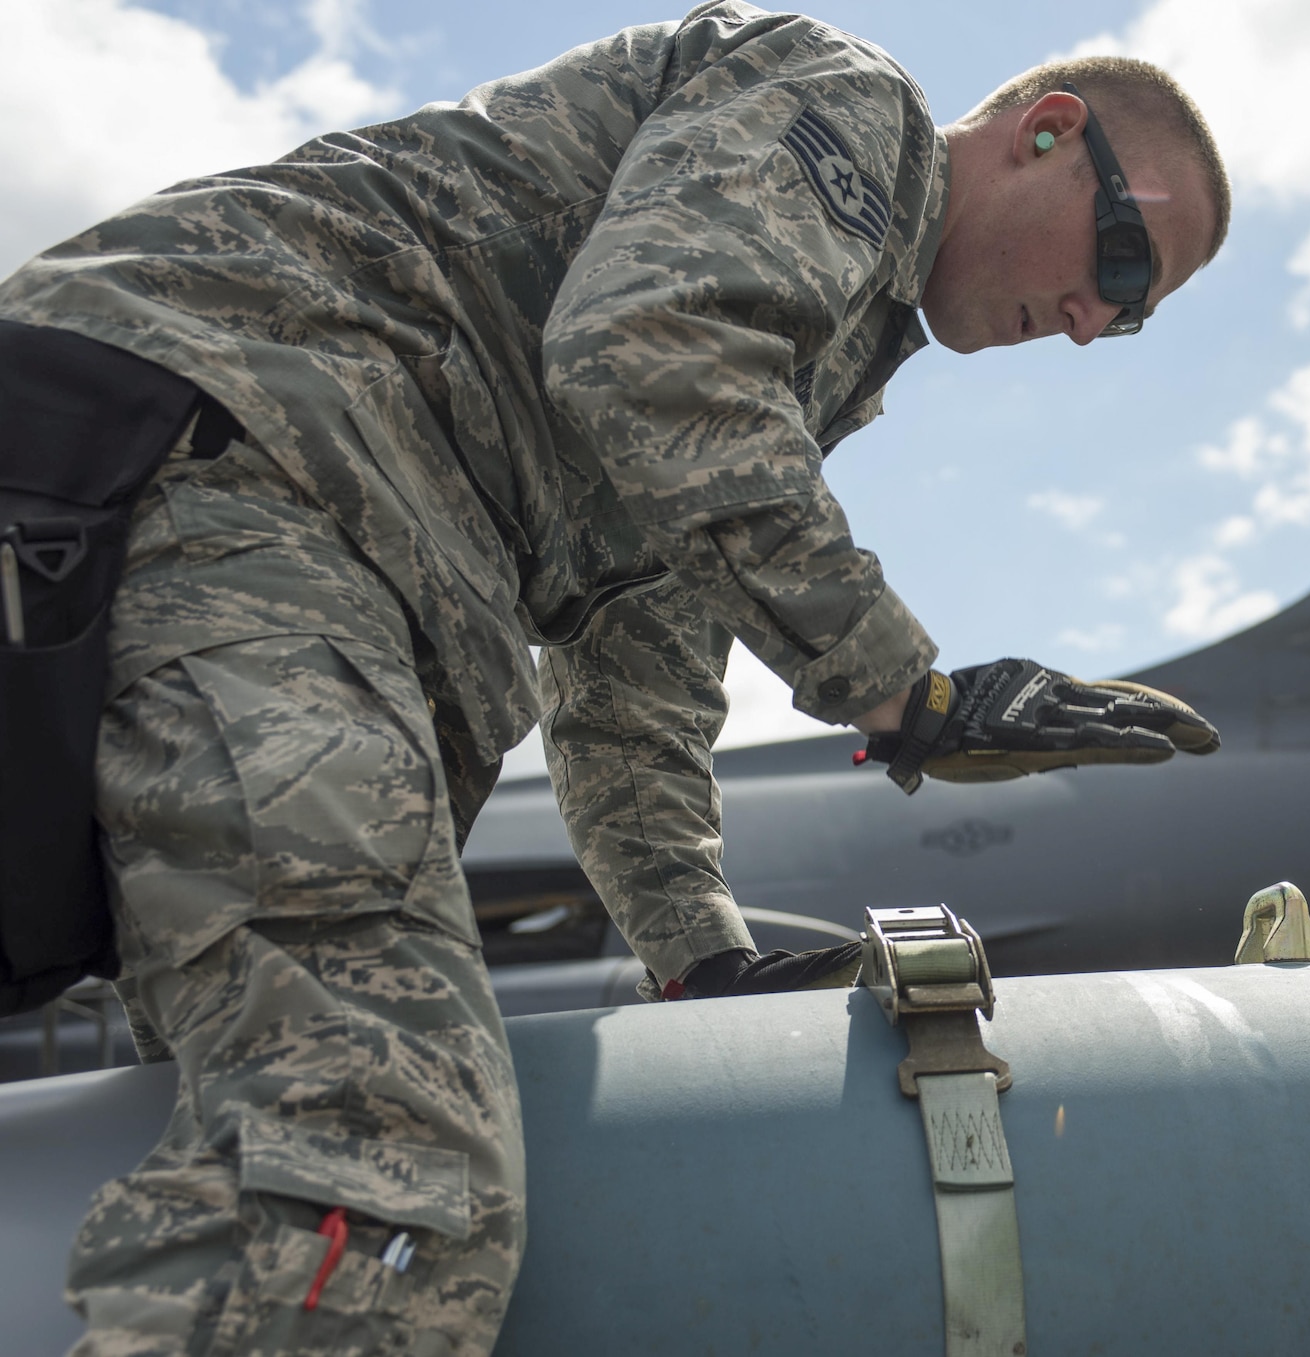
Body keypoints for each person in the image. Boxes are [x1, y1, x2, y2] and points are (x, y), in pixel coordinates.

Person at [0, 2, 1230, 1351]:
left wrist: (699, 958)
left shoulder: (794, 364)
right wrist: (909, 693)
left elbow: (632, 676)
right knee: (378, 1153)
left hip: (167, 512)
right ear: (1047, 134)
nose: (1086, 318)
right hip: (232, 482)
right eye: (1120, 257)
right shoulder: (847, 109)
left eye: (1129, 321)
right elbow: (650, 352)